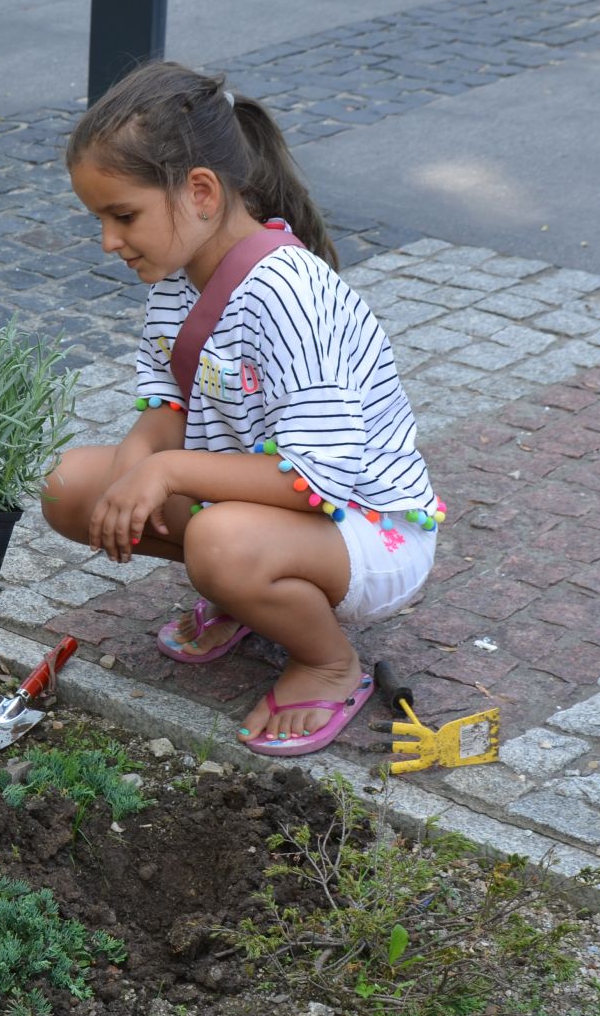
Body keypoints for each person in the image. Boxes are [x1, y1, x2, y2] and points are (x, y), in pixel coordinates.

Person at [41, 61, 443, 757]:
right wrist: (135, 470)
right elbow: (167, 403)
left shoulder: (289, 295)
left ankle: (327, 661)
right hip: (271, 508)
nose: (108, 241)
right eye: (99, 219)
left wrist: (163, 475)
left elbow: (316, 481)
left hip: (369, 530)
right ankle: (245, 591)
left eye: (122, 215)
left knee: (219, 541)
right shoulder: (176, 278)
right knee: (73, 487)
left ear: (199, 192)